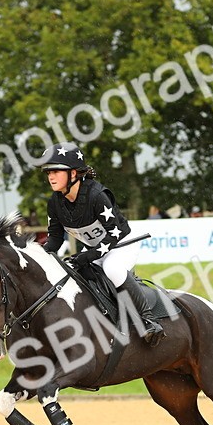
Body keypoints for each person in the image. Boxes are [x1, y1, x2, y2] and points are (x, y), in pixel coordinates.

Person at [40, 143, 163, 346]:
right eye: (48, 172)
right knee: (70, 275)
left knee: (112, 269)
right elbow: (54, 238)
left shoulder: (96, 196)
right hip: (96, 250)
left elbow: (113, 235)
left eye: (55, 171)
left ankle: (149, 320)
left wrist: (88, 256)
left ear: (73, 174)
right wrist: (40, 255)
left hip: (121, 245)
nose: (50, 177)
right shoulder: (55, 202)